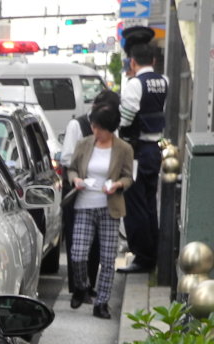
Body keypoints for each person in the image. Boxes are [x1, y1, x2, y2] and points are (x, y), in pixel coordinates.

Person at [66, 103, 134, 319]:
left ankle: (102, 303)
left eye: (100, 129)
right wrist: (75, 179)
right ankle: (82, 287)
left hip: (109, 206)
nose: (96, 132)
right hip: (84, 203)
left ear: (111, 128)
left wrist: (116, 185)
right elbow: (72, 168)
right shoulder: (85, 144)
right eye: (94, 127)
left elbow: (128, 177)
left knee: (107, 257)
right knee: (77, 254)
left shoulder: (123, 148)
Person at [61, 89, 121, 293]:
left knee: (100, 246)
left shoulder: (113, 126)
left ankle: (92, 285)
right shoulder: (77, 125)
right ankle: (78, 288)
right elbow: (67, 158)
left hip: (105, 195)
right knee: (77, 245)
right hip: (79, 190)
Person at [117, 42, 168, 274]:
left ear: (133, 62)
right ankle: (153, 251)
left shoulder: (135, 84)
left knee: (134, 204)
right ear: (154, 61)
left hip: (136, 151)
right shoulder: (164, 81)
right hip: (155, 149)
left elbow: (126, 119)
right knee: (149, 203)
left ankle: (142, 257)